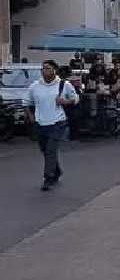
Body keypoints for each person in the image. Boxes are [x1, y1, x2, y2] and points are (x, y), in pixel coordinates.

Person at [24, 60, 79, 191]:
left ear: (55, 70)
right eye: (43, 69)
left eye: (48, 68)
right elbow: (26, 102)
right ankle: (57, 170)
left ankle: (48, 177)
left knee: (51, 149)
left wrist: (65, 101)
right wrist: (30, 116)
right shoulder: (35, 86)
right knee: (45, 150)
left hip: (57, 122)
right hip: (40, 122)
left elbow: (75, 98)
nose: (45, 71)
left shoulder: (63, 85)